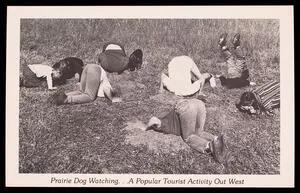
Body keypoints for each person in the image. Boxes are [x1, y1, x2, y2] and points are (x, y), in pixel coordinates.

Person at [144, 98, 228, 163]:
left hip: (186, 107)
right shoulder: (170, 119)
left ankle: (210, 146)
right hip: (198, 104)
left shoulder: (162, 122)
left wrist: (144, 128)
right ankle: (216, 139)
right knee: (199, 132)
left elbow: (154, 119)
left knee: (189, 137)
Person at [49, 64, 122, 105]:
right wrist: (114, 99)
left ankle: (64, 95)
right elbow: (106, 89)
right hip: (95, 70)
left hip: (88, 67)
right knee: (89, 96)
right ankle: (66, 99)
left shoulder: (99, 87)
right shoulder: (108, 85)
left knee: (82, 91)